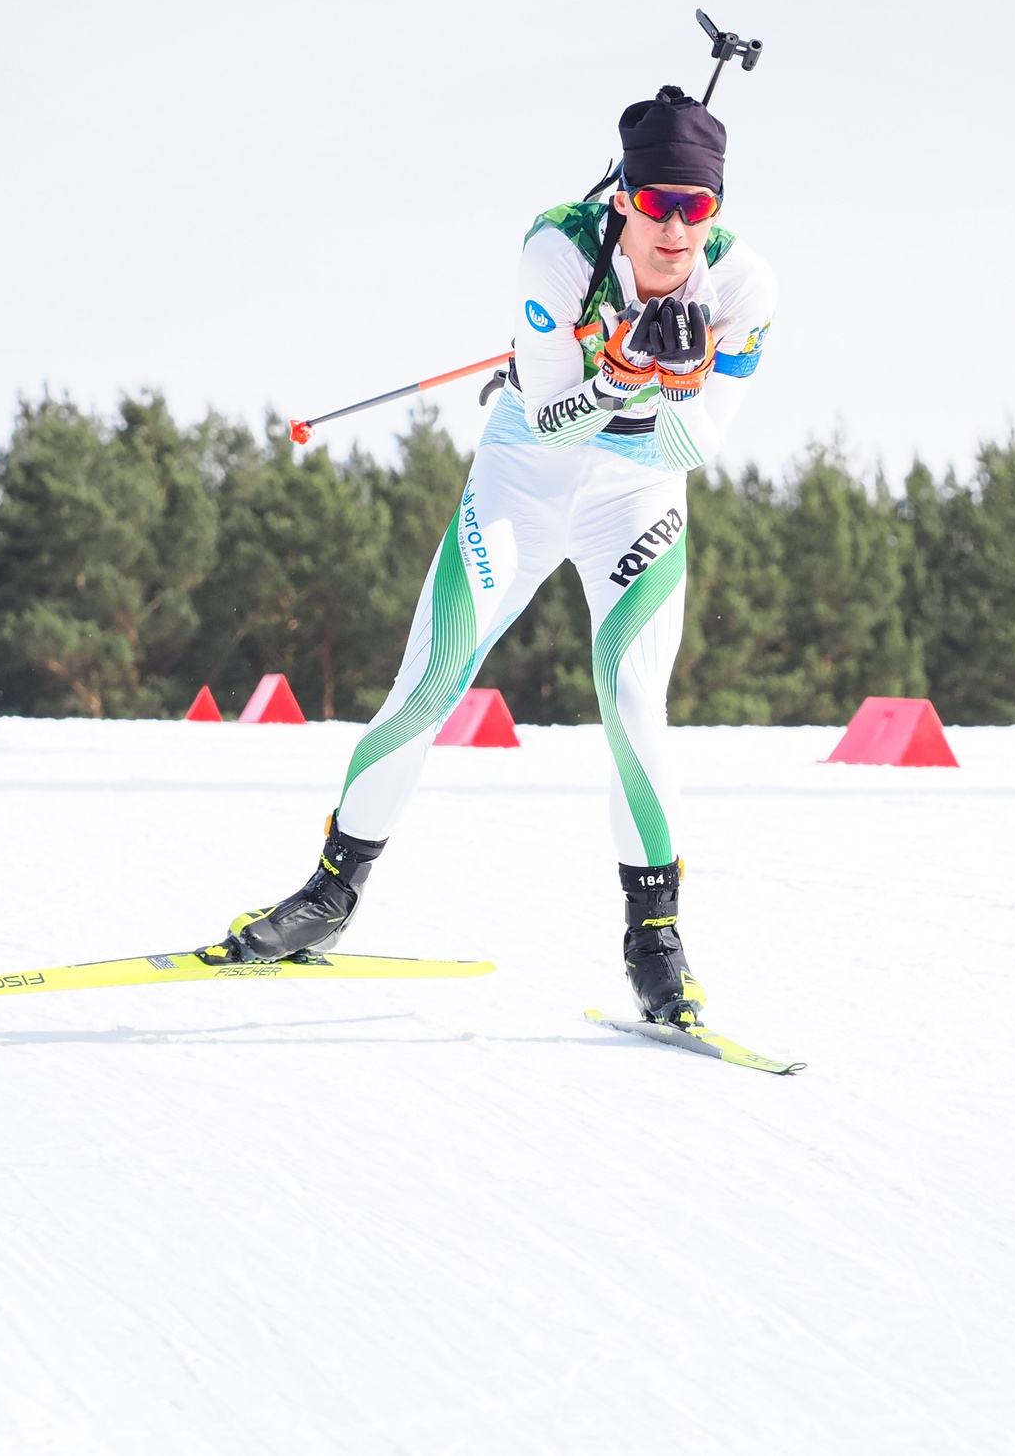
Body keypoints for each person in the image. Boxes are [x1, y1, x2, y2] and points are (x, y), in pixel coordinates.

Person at [202, 85, 777, 1027]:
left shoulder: (746, 284)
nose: (678, 229)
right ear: (625, 198)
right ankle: (330, 895)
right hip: (528, 475)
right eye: (660, 203)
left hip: (635, 494)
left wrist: (672, 388)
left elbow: (694, 449)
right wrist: (619, 374)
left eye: (699, 206)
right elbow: (550, 418)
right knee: (431, 678)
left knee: (634, 698)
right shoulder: (557, 249)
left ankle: (655, 942)